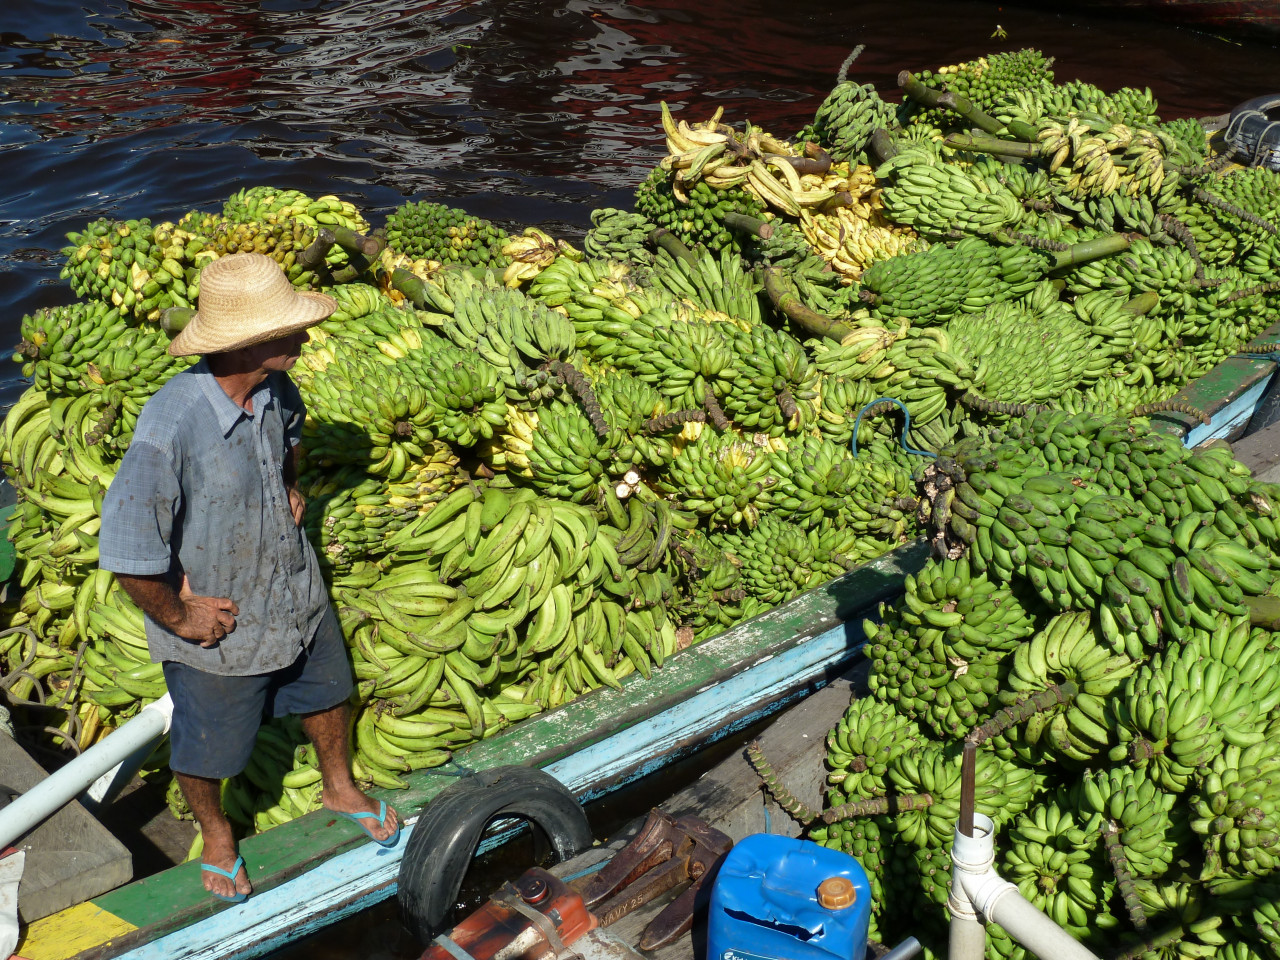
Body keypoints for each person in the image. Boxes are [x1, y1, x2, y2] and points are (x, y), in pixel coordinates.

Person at [99, 252, 399, 904]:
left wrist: (288, 486)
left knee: (327, 693)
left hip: (293, 586)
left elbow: (289, 432)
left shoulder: (273, 388)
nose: (304, 336)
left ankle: (338, 786)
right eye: (286, 329)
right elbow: (126, 548)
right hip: (222, 620)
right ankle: (217, 835)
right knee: (209, 749)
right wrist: (181, 616)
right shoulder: (171, 426)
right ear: (242, 343)